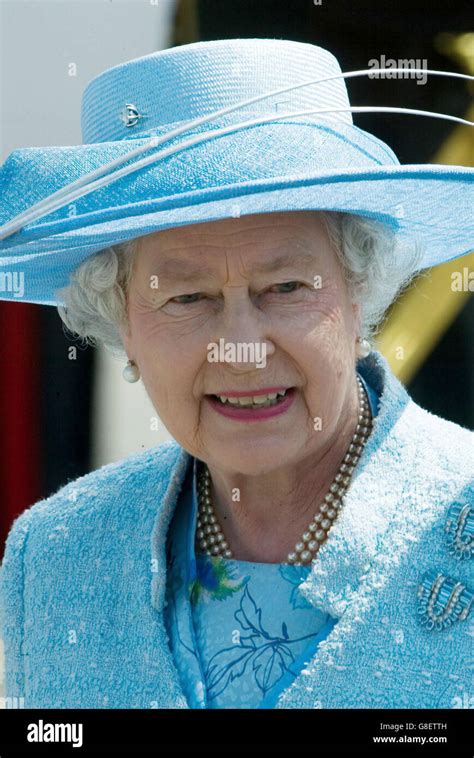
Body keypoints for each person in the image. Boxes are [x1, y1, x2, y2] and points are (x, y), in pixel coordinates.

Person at [0, 38, 472, 709]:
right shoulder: (53, 557)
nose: (240, 347)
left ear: (357, 288)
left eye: (284, 286)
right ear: (123, 324)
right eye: (187, 298)